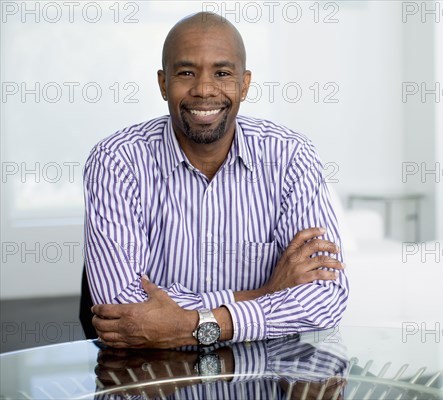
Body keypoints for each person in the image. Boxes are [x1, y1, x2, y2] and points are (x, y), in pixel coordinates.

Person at [84, 12, 349, 348]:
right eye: (186, 73)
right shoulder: (116, 161)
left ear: (245, 84)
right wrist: (267, 294)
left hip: (265, 375)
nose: (204, 89)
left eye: (222, 73)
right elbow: (122, 310)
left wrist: (187, 325)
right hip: (154, 378)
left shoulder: (290, 156)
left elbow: (326, 298)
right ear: (163, 83)